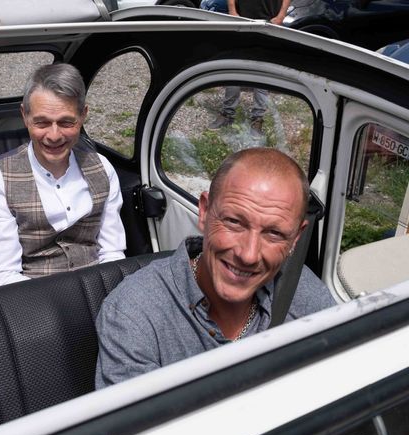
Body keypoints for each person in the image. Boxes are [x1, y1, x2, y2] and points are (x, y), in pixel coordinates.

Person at [95, 147, 334, 388]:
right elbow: (139, 424)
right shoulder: (134, 313)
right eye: (234, 222)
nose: (249, 255)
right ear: (205, 212)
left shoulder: (301, 291)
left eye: (273, 233)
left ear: (296, 238)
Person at [0, 63, 126, 287]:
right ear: (25, 116)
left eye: (66, 122)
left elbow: (112, 253)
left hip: (99, 286)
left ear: (83, 115)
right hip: (35, 297)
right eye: (42, 123)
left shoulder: (102, 168)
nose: (54, 136)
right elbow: (5, 275)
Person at [208, 0, 291, 135]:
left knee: (262, 71)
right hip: (242, 20)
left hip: (269, 23)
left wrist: (281, 16)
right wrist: (232, 11)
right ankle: (227, 114)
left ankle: (257, 119)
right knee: (235, 66)